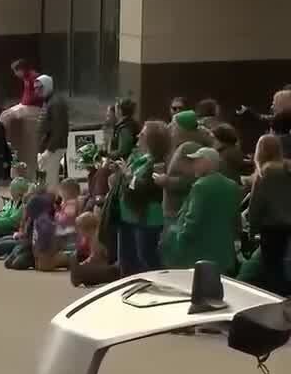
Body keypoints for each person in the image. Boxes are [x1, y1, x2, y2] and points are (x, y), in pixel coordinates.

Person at [161, 146, 239, 275]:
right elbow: (235, 219)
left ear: (208, 163)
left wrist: (179, 242)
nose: (194, 165)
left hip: (199, 253)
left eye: (197, 161)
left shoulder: (201, 186)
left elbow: (192, 220)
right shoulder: (232, 185)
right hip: (223, 253)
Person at [117, 120, 171, 274]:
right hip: (129, 215)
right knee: (128, 261)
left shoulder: (158, 162)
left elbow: (146, 187)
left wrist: (128, 176)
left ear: (152, 140)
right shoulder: (141, 158)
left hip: (146, 218)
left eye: (142, 133)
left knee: (146, 260)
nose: (138, 135)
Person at [244, 135, 291, 294]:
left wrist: (252, 230)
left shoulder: (265, 172)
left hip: (271, 226)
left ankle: (276, 300)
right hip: (287, 225)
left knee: (272, 268)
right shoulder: (287, 168)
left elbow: (256, 204)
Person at [2, 58, 42, 180]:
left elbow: (35, 96)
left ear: (21, 69)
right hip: (25, 105)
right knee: (4, 113)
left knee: (6, 115)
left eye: (16, 71)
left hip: (33, 107)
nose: (15, 74)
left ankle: (2, 138)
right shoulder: (25, 78)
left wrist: (23, 105)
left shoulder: (35, 77)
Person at [35, 75, 69, 189]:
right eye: (35, 88)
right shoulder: (49, 101)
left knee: (49, 182)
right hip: (48, 146)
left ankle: (50, 204)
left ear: (47, 86)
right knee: (46, 180)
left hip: (53, 147)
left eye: (40, 88)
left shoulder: (56, 103)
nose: (37, 91)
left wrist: (49, 150)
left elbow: (59, 129)